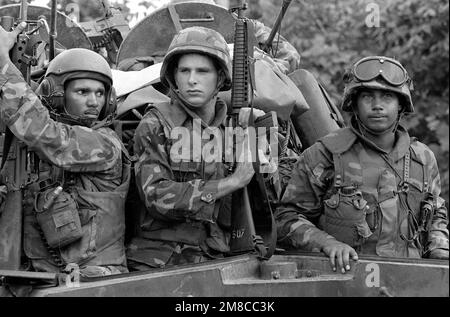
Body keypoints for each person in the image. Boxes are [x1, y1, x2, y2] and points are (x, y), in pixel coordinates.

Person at [275, 56, 449, 273]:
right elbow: (285, 219)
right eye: (367, 96)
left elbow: (435, 214)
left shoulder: (423, 159)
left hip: (408, 279)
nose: (377, 106)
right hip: (344, 279)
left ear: (401, 105)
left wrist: (440, 251)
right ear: (354, 104)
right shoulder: (325, 155)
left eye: (387, 96)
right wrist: (327, 243)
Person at [126, 26, 275, 269]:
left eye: (203, 71)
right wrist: (231, 182)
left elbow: (270, 202)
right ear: (174, 76)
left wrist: (263, 155)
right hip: (160, 262)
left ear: (220, 78)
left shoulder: (237, 128)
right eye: (185, 70)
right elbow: (156, 197)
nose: (192, 80)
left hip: (222, 257)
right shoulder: (156, 123)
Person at [0, 23, 130, 277]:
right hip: (42, 277)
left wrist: (3, 66)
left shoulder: (105, 144)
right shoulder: (34, 152)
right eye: (82, 92)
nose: (93, 101)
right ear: (56, 94)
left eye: (100, 93)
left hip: (97, 279)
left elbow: (45, 133)